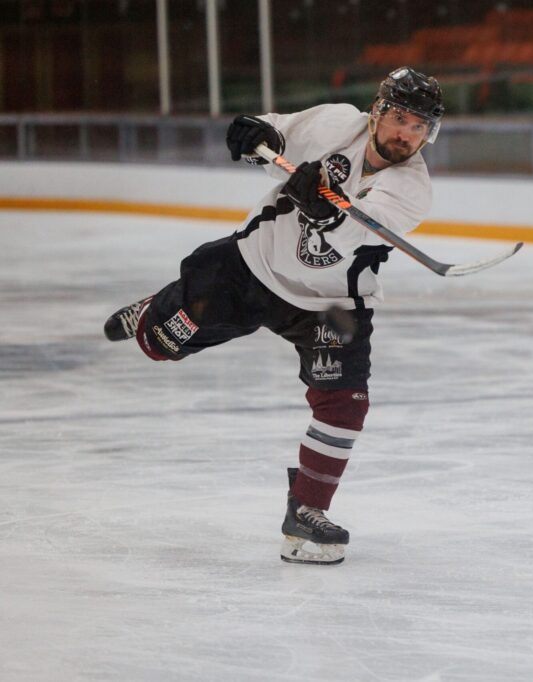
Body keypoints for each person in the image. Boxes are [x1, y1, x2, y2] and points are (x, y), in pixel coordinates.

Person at [103, 67, 444, 565]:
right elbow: (275, 131)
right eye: (398, 118)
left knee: (345, 404)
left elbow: (358, 233)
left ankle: (306, 511)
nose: (405, 135)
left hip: (332, 304)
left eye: (419, 126)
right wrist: (255, 131)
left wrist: (329, 212)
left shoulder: (413, 188)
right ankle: (155, 310)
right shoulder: (334, 124)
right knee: (160, 345)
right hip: (250, 270)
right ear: (377, 112)